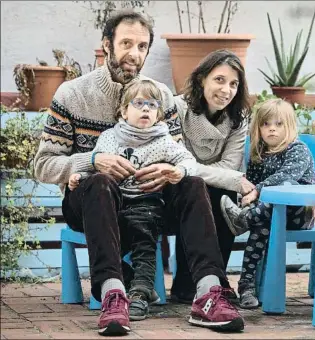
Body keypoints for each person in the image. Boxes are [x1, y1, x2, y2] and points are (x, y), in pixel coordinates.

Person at [33, 10, 244, 336]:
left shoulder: (161, 97)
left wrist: (171, 170)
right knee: (101, 182)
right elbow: (44, 165)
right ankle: (113, 295)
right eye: (126, 43)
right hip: (93, 205)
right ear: (106, 45)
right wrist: (93, 161)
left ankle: (209, 292)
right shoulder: (72, 95)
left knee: (191, 183)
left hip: (151, 205)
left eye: (142, 46)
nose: (135, 53)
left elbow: (178, 154)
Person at [67, 79, 197, 321]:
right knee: (111, 235)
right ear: (124, 111)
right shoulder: (110, 138)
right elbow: (97, 169)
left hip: (147, 204)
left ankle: (139, 295)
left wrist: (179, 171)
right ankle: (137, 286)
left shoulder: (163, 141)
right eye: (138, 103)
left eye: (152, 104)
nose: (146, 109)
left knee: (145, 244)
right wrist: (78, 176)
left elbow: (188, 160)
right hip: (113, 206)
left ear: (159, 114)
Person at [171, 49, 256, 303]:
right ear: (201, 79)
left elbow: (230, 167)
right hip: (174, 190)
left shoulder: (237, 119)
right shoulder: (176, 109)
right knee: (196, 187)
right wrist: (230, 179)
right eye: (219, 80)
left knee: (223, 193)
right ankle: (188, 284)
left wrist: (227, 179)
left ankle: (214, 279)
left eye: (233, 84)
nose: (226, 90)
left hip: (212, 189)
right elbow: (176, 163)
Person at [220, 98, 315, 309]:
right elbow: (250, 185)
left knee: (286, 187)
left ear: (289, 126)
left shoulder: (298, 149)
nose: (272, 129)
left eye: (278, 124)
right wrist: (249, 195)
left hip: (299, 215)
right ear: (258, 127)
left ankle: (242, 219)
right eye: (266, 124)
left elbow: (284, 176)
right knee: (259, 229)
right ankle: (246, 286)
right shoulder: (258, 155)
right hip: (267, 216)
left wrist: (256, 191)